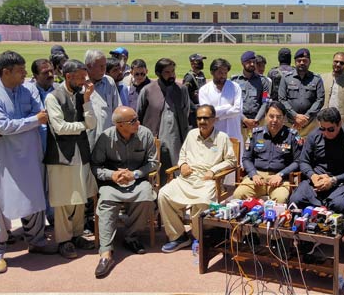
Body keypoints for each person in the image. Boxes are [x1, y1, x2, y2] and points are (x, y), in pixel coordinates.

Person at [0, 51, 56, 274]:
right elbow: (5, 126)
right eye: (21, 71)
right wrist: (29, 122)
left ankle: (37, 241)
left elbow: (41, 114)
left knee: (34, 197)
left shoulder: (29, 89)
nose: (25, 74)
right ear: (6, 72)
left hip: (30, 155)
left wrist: (13, 127)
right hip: (2, 159)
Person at [158, 105, 237, 253]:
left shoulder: (222, 138)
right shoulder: (192, 134)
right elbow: (182, 154)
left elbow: (231, 161)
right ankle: (178, 236)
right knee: (164, 194)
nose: (202, 121)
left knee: (202, 201)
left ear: (214, 119)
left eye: (206, 118)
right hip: (187, 178)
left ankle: (199, 236)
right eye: (199, 118)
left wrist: (213, 171)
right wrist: (182, 164)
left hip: (207, 181)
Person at [91, 106, 158, 278]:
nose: (138, 123)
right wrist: (111, 175)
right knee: (105, 201)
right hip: (112, 183)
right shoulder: (106, 138)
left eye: (136, 118)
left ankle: (131, 236)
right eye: (133, 120)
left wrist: (134, 174)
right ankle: (105, 254)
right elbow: (95, 165)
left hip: (137, 180)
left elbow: (153, 163)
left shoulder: (145, 134)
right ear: (120, 125)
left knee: (146, 196)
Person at [43, 60, 98, 259]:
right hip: (61, 156)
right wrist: (82, 125)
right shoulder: (53, 97)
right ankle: (64, 240)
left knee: (80, 199)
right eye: (81, 77)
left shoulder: (81, 96)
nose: (85, 81)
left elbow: (92, 122)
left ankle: (77, 235)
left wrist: (87, 100)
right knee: (63, 201)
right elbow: (60, 128)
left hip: (81, 154)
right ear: (68, 77)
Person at [289, 107, 344, 216]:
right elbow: (303, 161)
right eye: (322, 129)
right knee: (296, 199)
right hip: (315, 181)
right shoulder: (314, 135)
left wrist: (333, 180)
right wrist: (313, 176)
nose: (326, 133)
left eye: (330, 129)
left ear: (339, 124)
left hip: (340, 182)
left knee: (340, 205)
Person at [233, 101, 302, 203]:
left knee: (281, 199)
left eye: (278, 117)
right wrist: (253, 174)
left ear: (284, 118)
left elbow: (298, 161)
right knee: (238, 194)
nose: (274, 120)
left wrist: (281, 175)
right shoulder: (255, 134)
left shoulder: (292, 136)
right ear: (265, 116)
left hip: (280, 178)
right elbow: (246, 158)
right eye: (271, 116)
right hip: (257, 177)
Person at [137, 58, 190, 184]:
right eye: (167, 72)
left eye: (173, 71)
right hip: (154, 139)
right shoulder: (148, 90)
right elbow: (139, 114)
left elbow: (186, 111)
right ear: (158, 73)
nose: (171, 75)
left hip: (177, 139)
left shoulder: (181, 90)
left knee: (176, 170)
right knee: (156, 171)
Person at [278, 48, 324, 137]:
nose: (302, 63)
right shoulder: (286, 78)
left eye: (305, 61)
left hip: (310, 124)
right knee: (288, 148)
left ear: (309, 62)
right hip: (290, 123)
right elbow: (282, 99)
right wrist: (295, 116)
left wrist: (306, 117)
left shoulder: (316, 79)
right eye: (299, 61)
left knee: (310, 149)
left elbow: (320, 100)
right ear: (295, 62)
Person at [199, 58, 243, 143]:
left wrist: (218, 117)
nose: (223, 76)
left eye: (225, 73)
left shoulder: (235, 87)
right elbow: (207, 113)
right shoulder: (204, 90)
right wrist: (228, 106)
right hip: (213, 136)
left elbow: (237, 110)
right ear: (212, 72)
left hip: (233, 134)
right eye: (220, 73)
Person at [85, 50, 121, 149]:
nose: (104, 69)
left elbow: (117, 109)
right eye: (100, 66)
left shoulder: (109, 82)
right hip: (86, 142)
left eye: (105, 66)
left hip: (108, 141)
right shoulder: (80, 84)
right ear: (89, 66)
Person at [231, 51, 271, 141]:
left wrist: (256, 120)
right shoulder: (235, 81)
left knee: (259, 146)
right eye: (249, 62)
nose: (252, 64)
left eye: (254, 62)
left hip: (258, 121)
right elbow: (232, 103)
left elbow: (265, 101)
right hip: (240, 121)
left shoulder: (263, 81)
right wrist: (244, 119)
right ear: (242, 63)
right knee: (240, 147)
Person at [323, 51, 344, 126]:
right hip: (324, 122)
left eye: (341, 63)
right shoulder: (322, 78)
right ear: (332, 62)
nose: (338, 64)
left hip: (343, 123)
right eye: (336, 62)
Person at [182, 53, 207, 128]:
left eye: (201, 61)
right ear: (192, 63)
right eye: (199, 61)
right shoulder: (189, 78)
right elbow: (185, 95)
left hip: (201, 106)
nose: (201, 63)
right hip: (193, 111)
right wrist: (194, 108)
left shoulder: (201, 74)